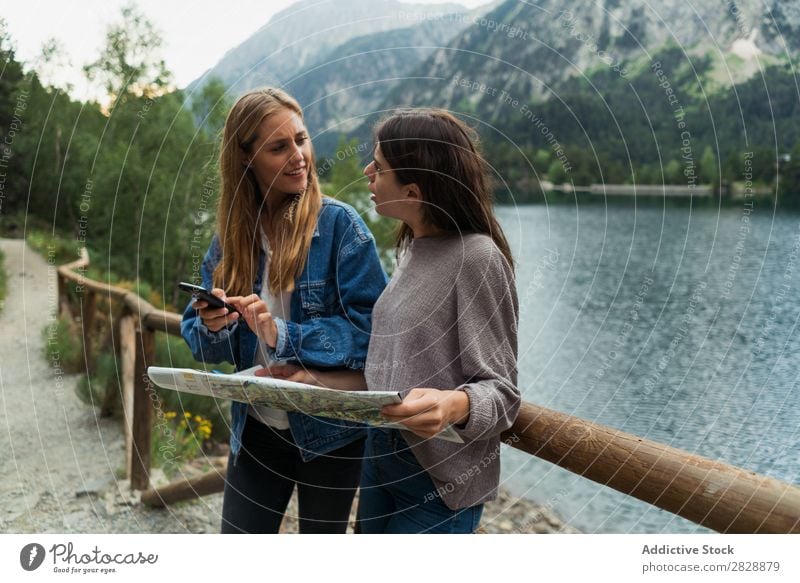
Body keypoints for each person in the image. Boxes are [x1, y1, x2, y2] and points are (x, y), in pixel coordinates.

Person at [265, 109, 521, 533]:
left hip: (438, 484)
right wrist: (317, 382)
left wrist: (452, 405)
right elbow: (387, 374)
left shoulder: (478, 258)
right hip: (381, 456)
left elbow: (503, 394)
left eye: (379, 167)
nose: (367, 172)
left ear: (415, 191)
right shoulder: (413, 249)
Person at [180, 87, 387, 534]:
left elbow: (374, 336)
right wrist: (212, 325)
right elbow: (197, 339)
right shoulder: (230, 240)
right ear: (246, 160)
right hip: (255, 427)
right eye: (279, 146)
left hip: (333, 433)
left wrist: (282, 334)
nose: (299, 156)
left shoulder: (341, 227)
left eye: (302, 139)